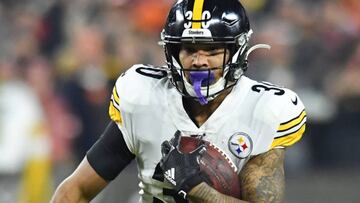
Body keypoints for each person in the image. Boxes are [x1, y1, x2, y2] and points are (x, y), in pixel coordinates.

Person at [51, 0, 307, 202]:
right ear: (172, 51)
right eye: (189, 49)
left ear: (237, 52)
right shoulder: (143, 97)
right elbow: (76, 192)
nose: (199, 61)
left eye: (212, 51)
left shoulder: (264, 109)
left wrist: (198, 190)